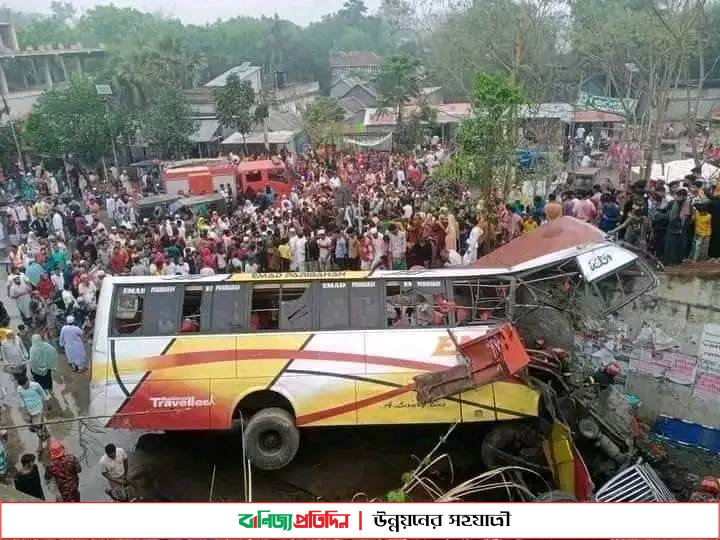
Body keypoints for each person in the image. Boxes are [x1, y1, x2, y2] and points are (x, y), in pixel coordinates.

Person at [16, 373, 49, 447]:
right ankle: (45, 434)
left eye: (25, 384)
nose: (24, 387)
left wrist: (47, 405)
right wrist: (25, 412)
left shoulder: (36, 385)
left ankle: (41, 444)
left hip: (38, 409)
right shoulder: (19, 389)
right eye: (22, 385)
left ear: (28, 380)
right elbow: (21, 401)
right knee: (38, 426)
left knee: (38, 427)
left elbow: (43, 394)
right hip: (29, 411)